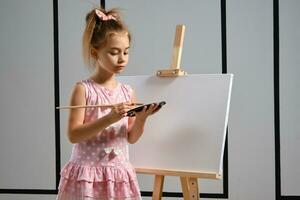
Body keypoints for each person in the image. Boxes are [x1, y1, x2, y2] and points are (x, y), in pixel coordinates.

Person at [57, 7, 161, 200]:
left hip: (117, 175)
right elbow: (73, 135)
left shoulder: (127, 92)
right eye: (114, 52)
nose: (122, 59)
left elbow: (130, 138)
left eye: (126, 52)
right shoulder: (83, 90)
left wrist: (141, 119)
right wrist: (109, 118)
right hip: (88, 176)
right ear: (95, 53)